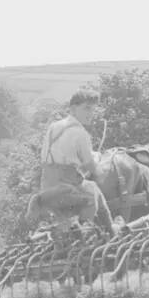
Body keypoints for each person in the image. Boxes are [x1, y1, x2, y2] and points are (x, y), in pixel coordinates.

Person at [34, 89, 117, 234]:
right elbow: (90, 166)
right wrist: (99, 170)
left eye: (93, 109)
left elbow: (60, 153)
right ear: (73, 109)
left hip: (47, 188)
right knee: (94, 192)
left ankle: (66, 229)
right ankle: (103, 231)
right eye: (86, 108)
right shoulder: (81, 133)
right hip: (66, 188)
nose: (91, 113)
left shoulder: (54, 127)